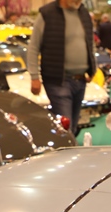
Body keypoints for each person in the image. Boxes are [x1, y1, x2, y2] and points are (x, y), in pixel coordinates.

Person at [27, 0, 96, 135]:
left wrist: (92, 67)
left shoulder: (83, 13)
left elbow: (90, 43)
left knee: (72, 127)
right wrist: (34, 76)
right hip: (58, 81)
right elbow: (33, 47)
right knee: (66, 128)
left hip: (80, 80)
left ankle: (66, 146)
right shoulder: (47, 14)